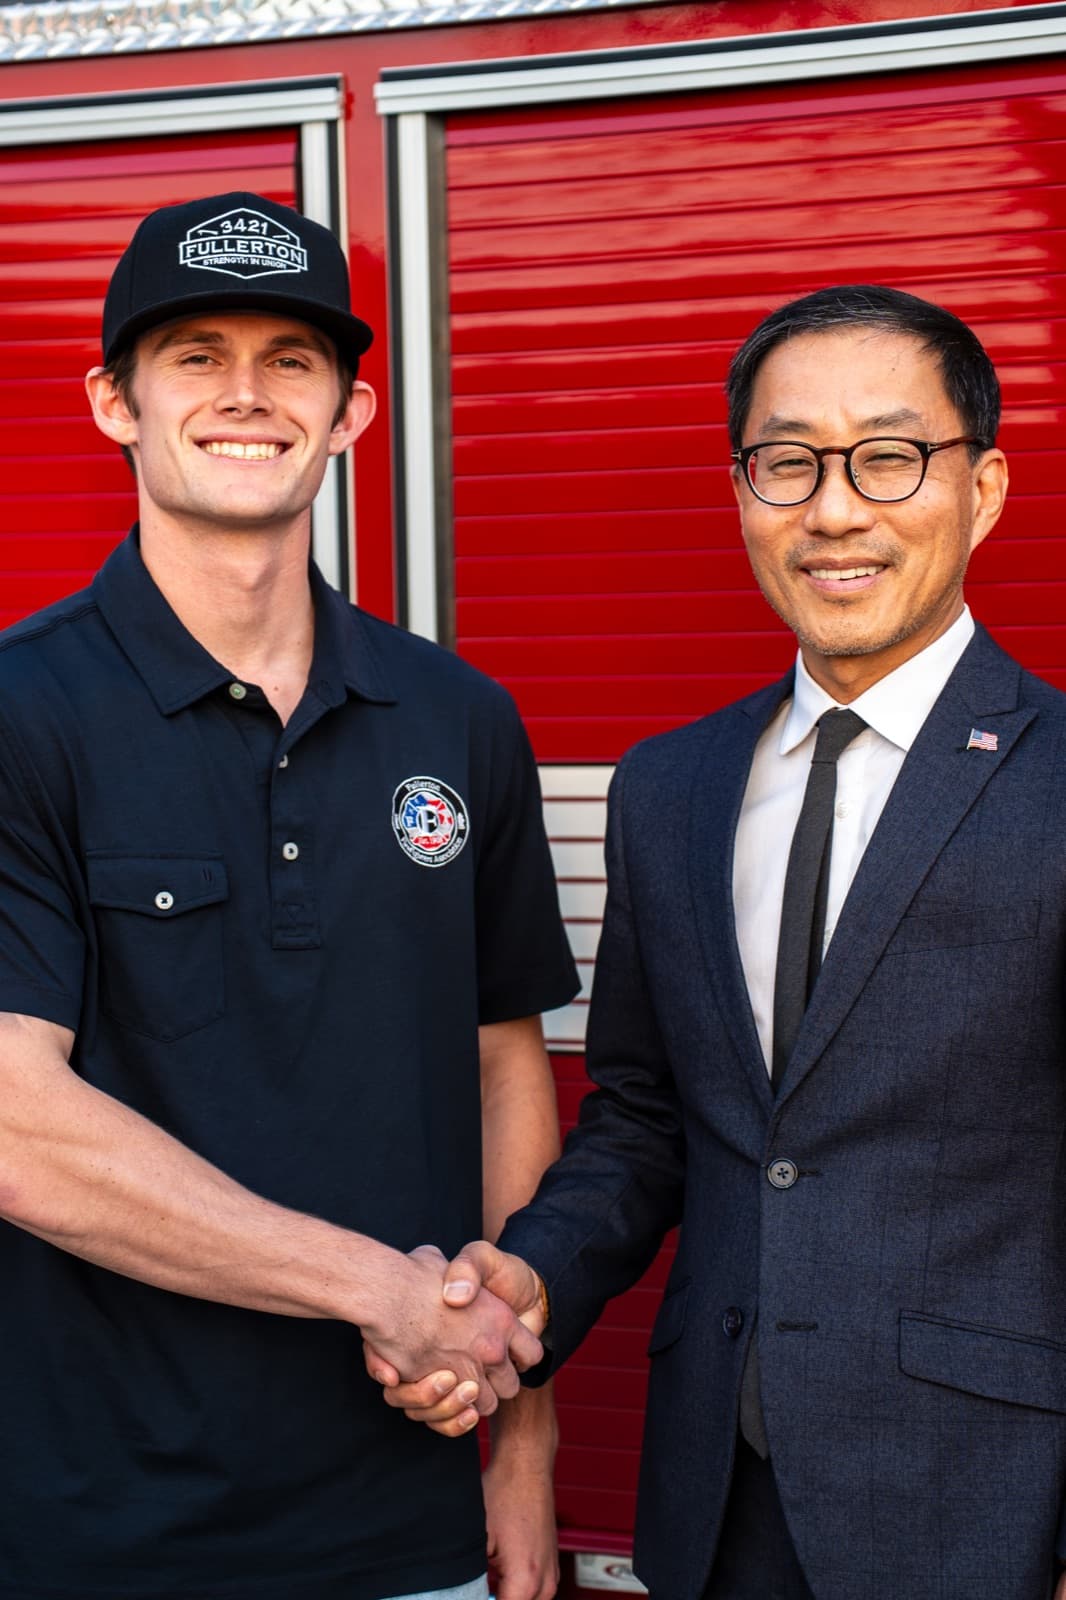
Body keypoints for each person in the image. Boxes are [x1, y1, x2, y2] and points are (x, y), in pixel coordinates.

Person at [372, 285, 1066, 1600]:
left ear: (980, 489)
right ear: (743, 489)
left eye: (888, 456)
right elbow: (643, 1120)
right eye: (785, 461)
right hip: (715, 1499)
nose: (833, 509)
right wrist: (525, 1280)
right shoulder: (671, 787)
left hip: (984, 1515)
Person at [0, 191, 578, 1600]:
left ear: (350, 415)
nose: (245, 394)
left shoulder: (455, 716)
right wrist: (380, 1292)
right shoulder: (22, 710)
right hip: (100, 1530)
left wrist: (522, 1436)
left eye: (291, 360)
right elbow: (19, 1124)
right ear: (113, 404)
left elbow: (505, 1065)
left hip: (410, 1518)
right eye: (194, 353)